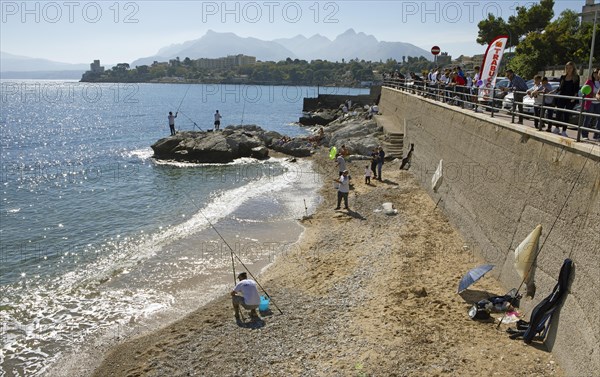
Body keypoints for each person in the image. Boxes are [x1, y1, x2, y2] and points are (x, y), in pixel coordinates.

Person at [554, 61, 580, 136]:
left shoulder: (576, 77)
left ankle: (564, 130)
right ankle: (557, 127)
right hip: (562, 96)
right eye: (567, 68)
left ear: (573, 68)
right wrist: (554, 91)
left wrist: (574, 97)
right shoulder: (563, 77)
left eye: (570, 68)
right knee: (559, 112)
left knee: (566, 114)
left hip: (571, 97)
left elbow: (576, 89)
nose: (568, 69)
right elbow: (560, 87)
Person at [581, 68, 600, 140]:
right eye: (594, 73)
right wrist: (591, 95)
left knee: (599, 119)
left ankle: (597, 135)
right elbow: (583, 91)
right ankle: (584, 135)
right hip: (590, 102)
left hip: (598, 103)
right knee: (587, 118)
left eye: (597, 73)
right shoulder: (589, 81)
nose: (596, 74)